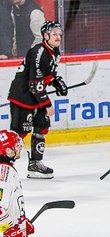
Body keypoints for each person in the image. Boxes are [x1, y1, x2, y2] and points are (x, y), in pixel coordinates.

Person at [6, 21, 67, 180]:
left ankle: (35, 164)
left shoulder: (55, 52)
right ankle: (2, 164)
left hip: (36, 96)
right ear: (45, 36)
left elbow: (48, 75)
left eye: (59, 34)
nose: (58, 37)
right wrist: (47, 104)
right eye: (54, 34)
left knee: (42, 126)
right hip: (23, 96)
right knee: (19, 133)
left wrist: (56, 81)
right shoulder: (38, 52)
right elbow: (35, 84)